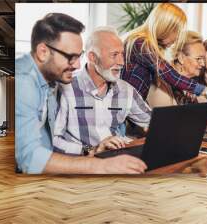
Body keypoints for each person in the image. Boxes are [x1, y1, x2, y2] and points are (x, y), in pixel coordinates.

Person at [15, 13, 146, 174]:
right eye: (71, 57)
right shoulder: (26, 83)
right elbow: (30, 157)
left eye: (79, 57)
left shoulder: (49, 84)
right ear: (43, 52)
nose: (77, 65)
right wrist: (99, 161)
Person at [53, 26, 151, 156]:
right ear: (92, 57)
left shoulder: (126, 89)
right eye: (114, 55)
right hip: (82, 162)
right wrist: (92, 149)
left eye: (122, 55)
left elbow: (152, 121)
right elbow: (52, 140)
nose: (122, 62)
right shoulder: (65, 88)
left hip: (117, 159)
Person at [121, 3, 207, 111]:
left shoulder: (144, 44)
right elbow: (172, 76)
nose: (177, 38)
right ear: (166, 26)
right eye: (177, 32)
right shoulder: (141, 43)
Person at [147, 31, 205, 107]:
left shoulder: (192, 85)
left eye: (203, 59)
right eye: (198, 59)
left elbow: (206, 117)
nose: (203, 64)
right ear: (181, 58)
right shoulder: (162, 85)